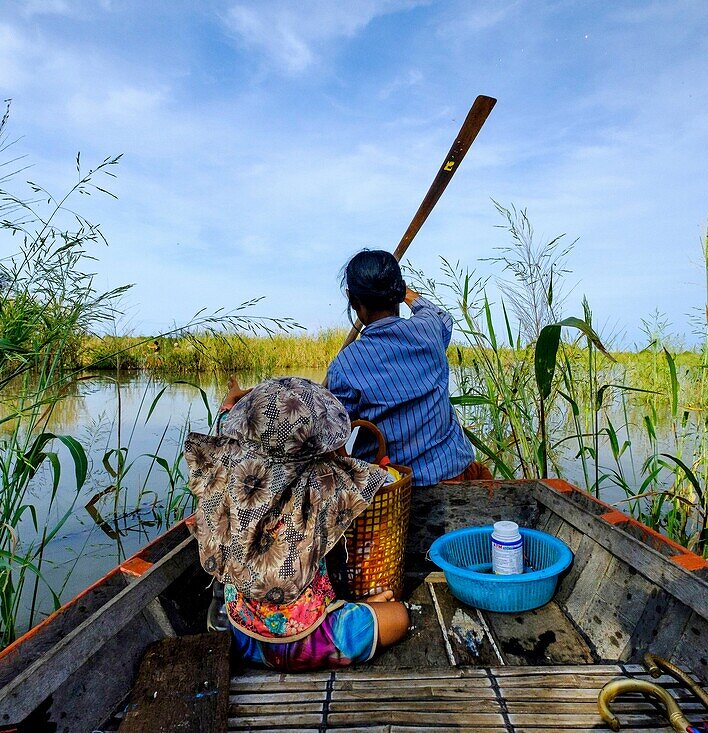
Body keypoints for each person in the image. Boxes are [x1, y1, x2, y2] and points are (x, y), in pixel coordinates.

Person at [184, 376, 409, 671]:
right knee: (399, 616)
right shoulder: (324, 479)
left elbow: (227, 419)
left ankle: (353, 609)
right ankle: (358, 610)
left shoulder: (228, 465)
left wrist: (236, 396)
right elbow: (367, 472)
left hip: (241, 636)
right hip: (307, 643)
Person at [326, 249, 490, 486]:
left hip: (392, 486)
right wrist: (406, 293)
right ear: (399, 291)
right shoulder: (429, 329)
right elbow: (437, 313)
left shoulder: (345, 365)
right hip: (453, 470)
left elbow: (333, 434)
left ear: (352, 301)